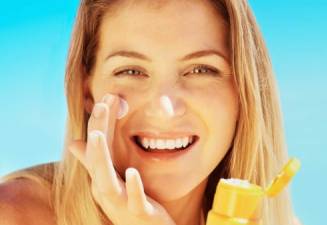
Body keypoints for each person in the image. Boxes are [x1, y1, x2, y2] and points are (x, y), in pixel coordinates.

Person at [0, 0, 302, 224]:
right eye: (131, 70)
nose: (165, 110)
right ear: (86, 90)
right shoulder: (14, 214)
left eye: (200, 69)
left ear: (243, 92)